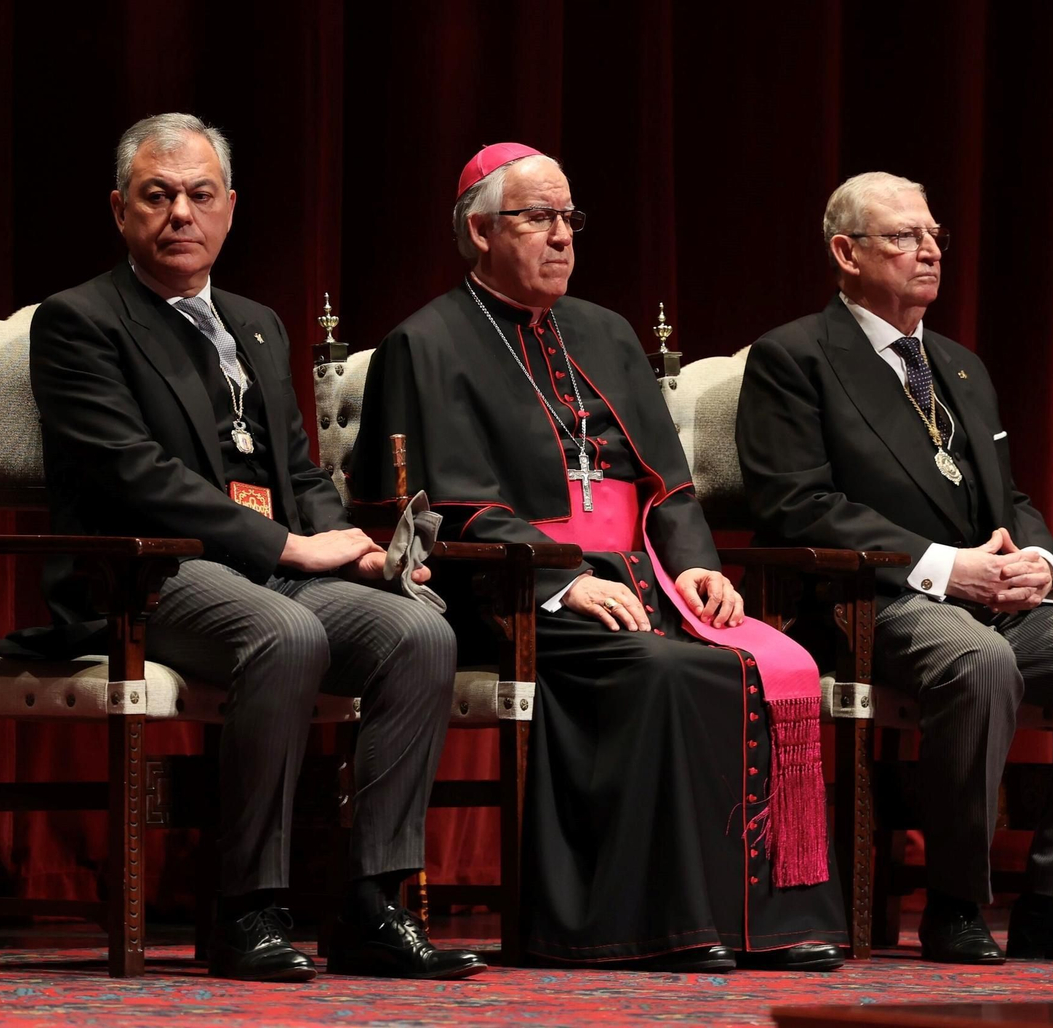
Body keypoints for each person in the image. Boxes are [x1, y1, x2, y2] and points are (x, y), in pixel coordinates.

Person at [351, 143, 848, 972]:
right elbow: (445, 507)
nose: (561, 237)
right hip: (506, 597)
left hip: (644, 582)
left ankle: (762, 923)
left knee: (766, 666)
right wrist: (563, 580)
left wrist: (696, 566)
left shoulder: (606, 333)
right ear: (478, 230)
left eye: (568, 218)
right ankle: (647, 925)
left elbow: (671, 485)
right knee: (663, 672)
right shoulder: (425, 344)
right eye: (537, 217)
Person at [28, 113, 484, 983]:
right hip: (145, 574)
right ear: (119, 208)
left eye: (200, 196)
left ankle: (371, 905)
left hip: (266, 568)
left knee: (419, 633)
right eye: (156, 196)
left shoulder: (259, 323)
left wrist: (350, 547)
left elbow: (299, 471)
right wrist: (290, 547)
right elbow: (135, 475)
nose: (179, 215)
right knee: (286, 633)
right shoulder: (81, 322)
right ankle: (249, 909)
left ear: (230, 208)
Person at [735, 171, 1053, 965]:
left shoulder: (959, 365)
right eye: (904, 236)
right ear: (846, 252)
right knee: (979, 660)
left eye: (933, 234)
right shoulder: (794, 356)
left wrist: (1038, 561)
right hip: (874, 600)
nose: (929, 249)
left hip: (990, 594)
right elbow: (795, 504)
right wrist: (944, 568)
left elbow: (1011, 494)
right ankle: (956, 902)